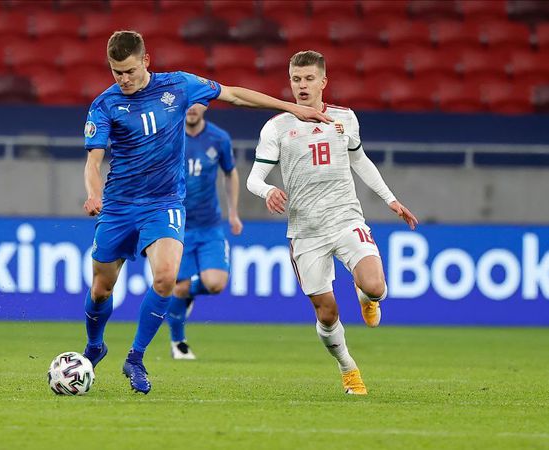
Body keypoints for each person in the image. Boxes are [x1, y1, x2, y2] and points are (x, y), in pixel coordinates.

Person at [82, 31, 331, 394]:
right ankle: (94, 346)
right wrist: (93, 194)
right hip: (119, 205)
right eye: (116, 72)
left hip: (164, 203)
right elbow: (94, 161)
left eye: (130, 71)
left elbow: (234, 94)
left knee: (166, 278)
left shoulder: (179, 86)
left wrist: (291, 108)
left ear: (146, 62)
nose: (123, 79)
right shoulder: (104, 104)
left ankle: (135, 358)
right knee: (102, 289)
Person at [246, 50, 418, 395]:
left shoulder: (345, 118)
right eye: (296, 79)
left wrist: (391, 200)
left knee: (375, 286)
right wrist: (267, 191)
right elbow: (254, 178)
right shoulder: (277, 127)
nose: (302, 85)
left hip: (345, 218)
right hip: (306, 232)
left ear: (323, 81)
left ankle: (366, 298)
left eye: (309, 78)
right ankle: (348, 368)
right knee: (326, 314)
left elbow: (361, 161)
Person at [166, 104, 243, 360]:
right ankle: (179, 343)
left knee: (215, 284)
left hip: (210, 225)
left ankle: (186, 294)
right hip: (178, 226)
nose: (192, 109)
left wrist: (233, 212)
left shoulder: (219, 138)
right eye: (188, 104)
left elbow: (230, 173)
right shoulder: (169, 135)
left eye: (197, 104)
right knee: (178, 287)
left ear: (205, 107)